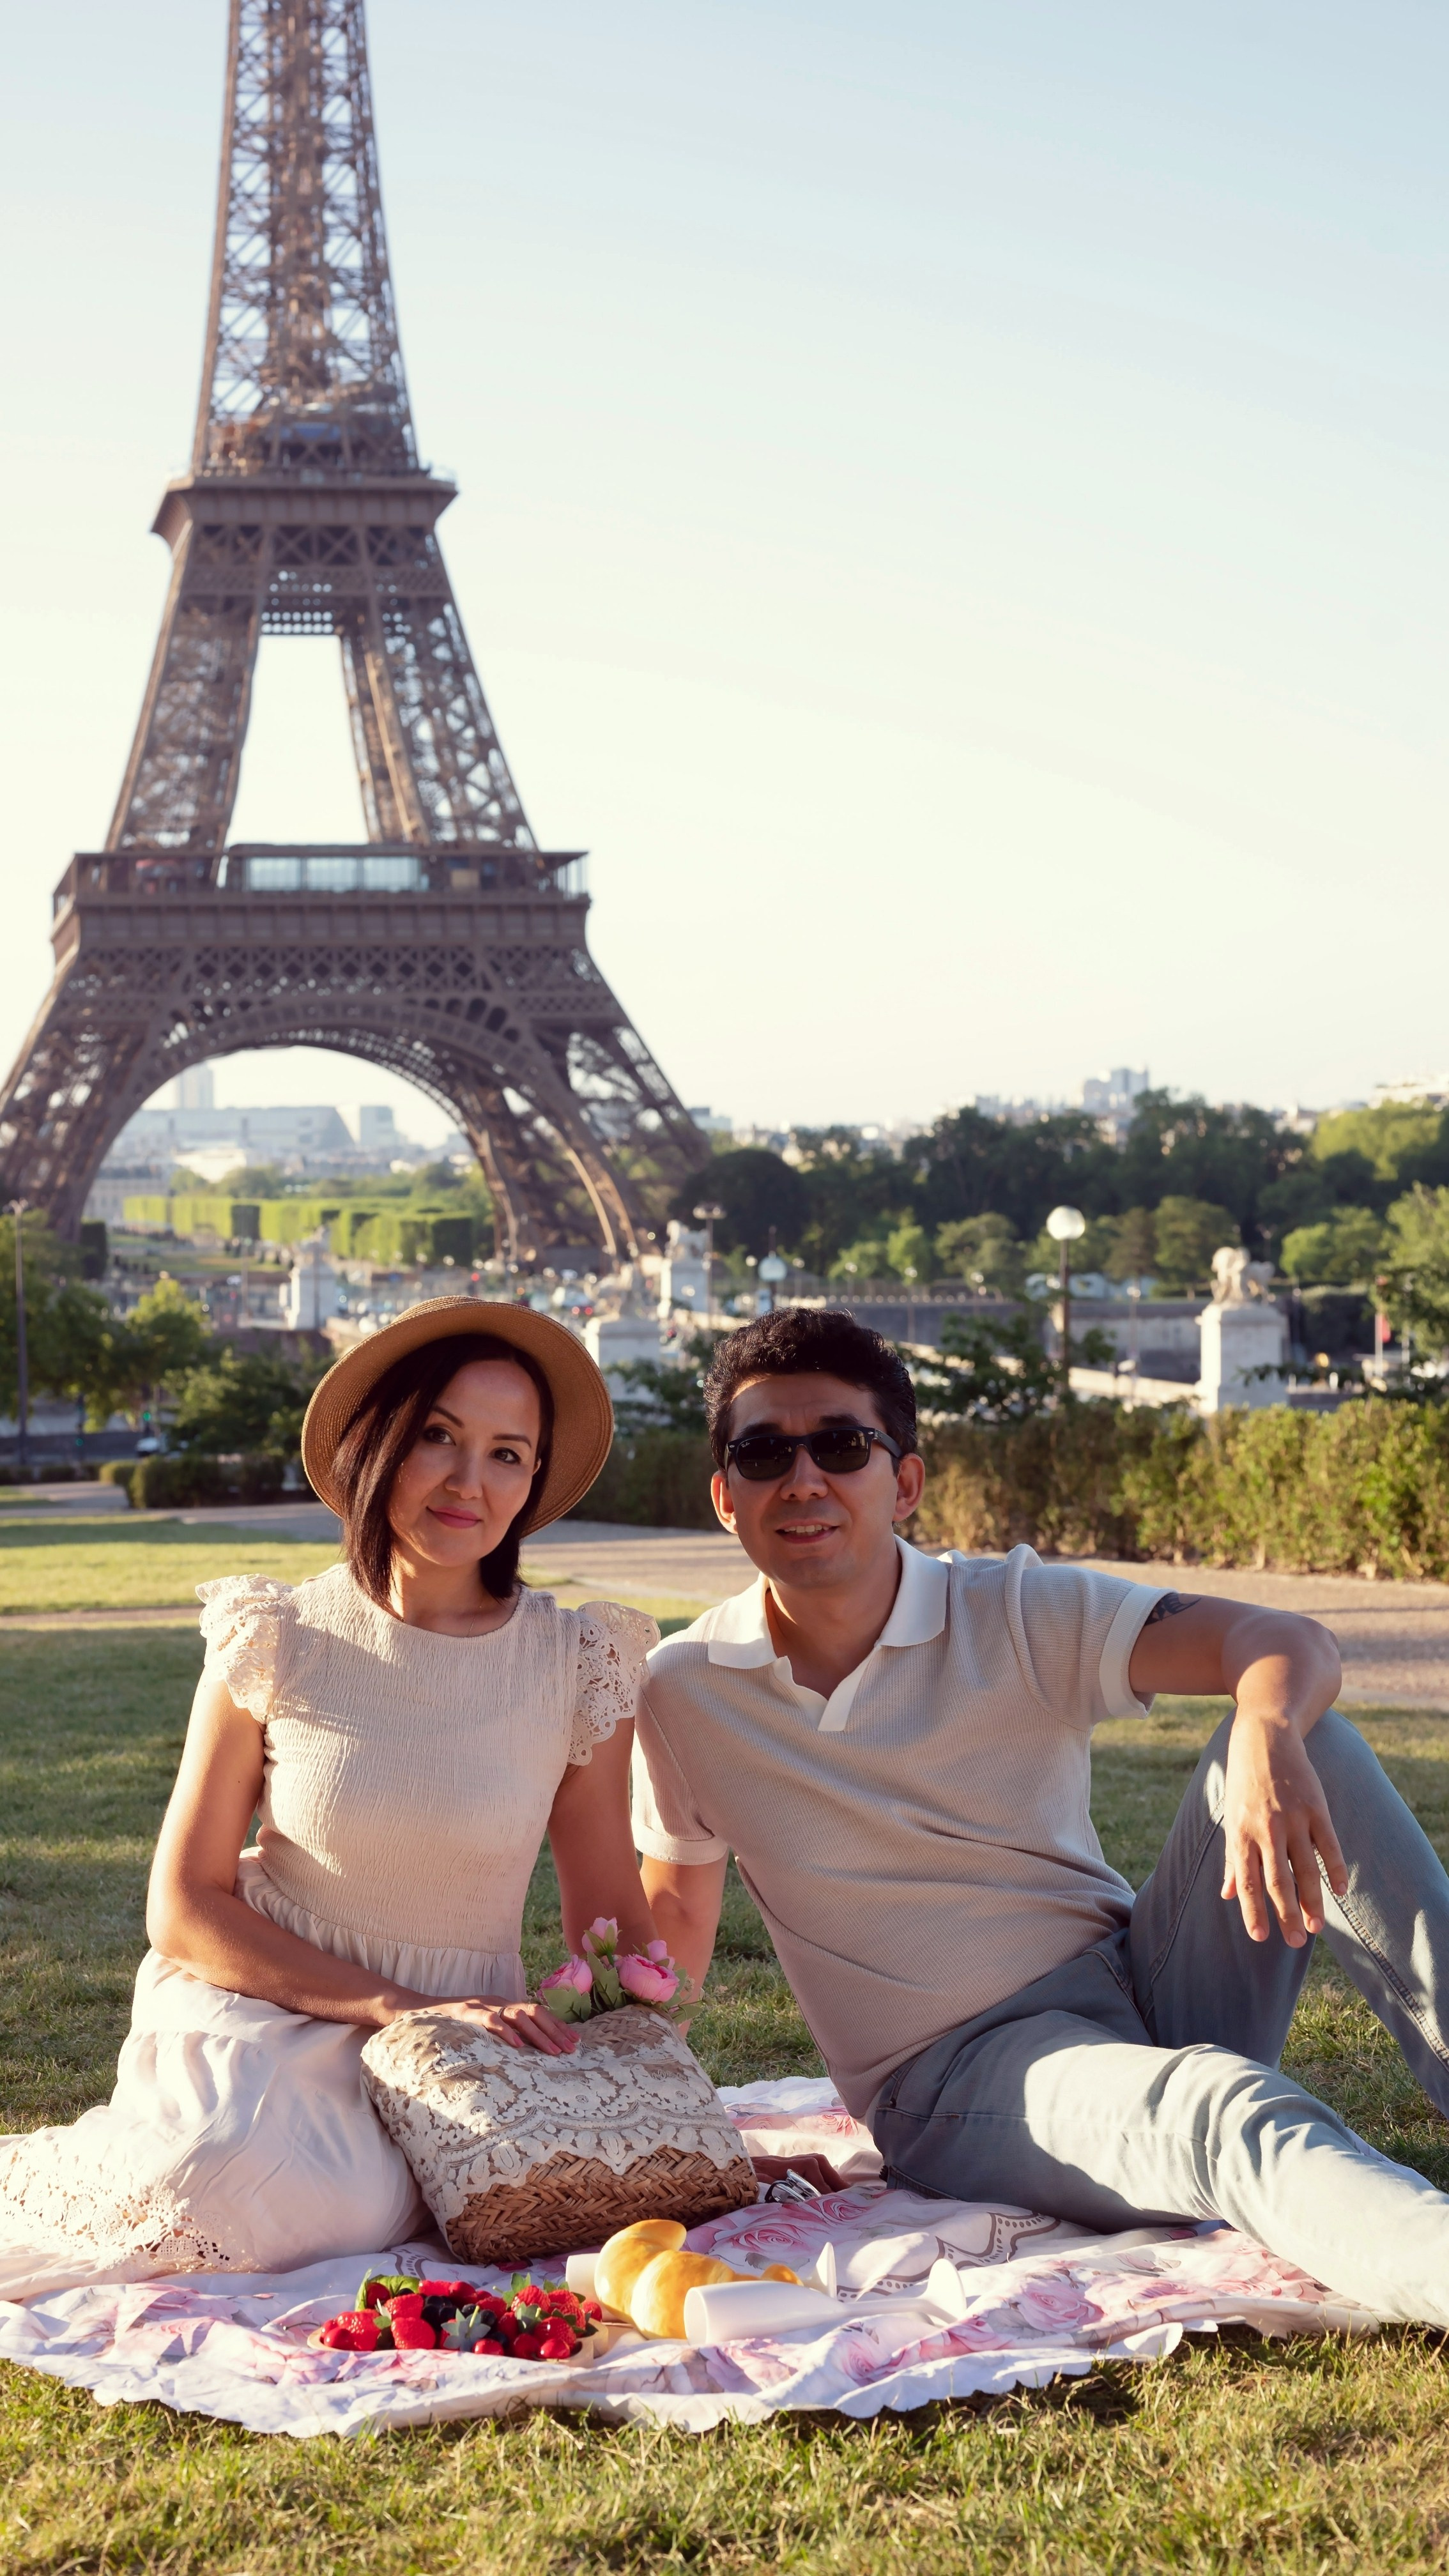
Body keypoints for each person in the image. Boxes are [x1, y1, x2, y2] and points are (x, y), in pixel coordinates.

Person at [633, 1306, 1449, 2325]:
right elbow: (669, 1949)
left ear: (907, 1479)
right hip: (957, 2074)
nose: (803, 1481)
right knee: (1221, 2112)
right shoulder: (682, 1690)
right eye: (764, 1455)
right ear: (725, 1496)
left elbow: (1281, 1637)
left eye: (841, 1446)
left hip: (1142, 1980)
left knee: (1313, 1737)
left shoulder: (1015, 1609)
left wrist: (1267, 1730)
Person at [0, 1300, 657, 2298]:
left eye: (507, 1453)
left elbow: (608, 1917)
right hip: (269, 2008)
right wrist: (394, 2004)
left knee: (382, 2193)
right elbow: (182, 1905)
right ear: (377, 1442)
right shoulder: (276, 1634)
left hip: (465, 2039)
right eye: (438, 1436)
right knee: (237, 2184)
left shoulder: (578, 1661)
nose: (467, 1481)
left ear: (531, 1480)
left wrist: (638, 2083)